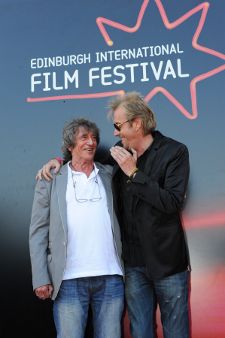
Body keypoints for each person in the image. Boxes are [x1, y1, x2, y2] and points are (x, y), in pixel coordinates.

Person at [37, 92, 191, 338]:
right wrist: (56, 160)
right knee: (140, 331)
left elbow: (171, 202)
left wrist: (134, 173)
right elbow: (82, 159)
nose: (116, 133)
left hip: (168, 264)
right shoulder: (118, 152)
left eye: (118, 126)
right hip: (132, 266)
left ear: (137, 124)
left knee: (176, 331)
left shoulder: (174, 152)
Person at [29, 118, 124, 338]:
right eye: (84, 137)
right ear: (70, 146)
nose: (91, 142)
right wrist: (40, 277)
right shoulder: (50, 178)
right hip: (68, 280)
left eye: (93, 138)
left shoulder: (110, 175)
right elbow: (38, 231)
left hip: (111, 277)